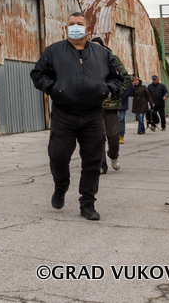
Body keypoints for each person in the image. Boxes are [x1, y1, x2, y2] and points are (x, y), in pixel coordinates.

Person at [30, 12, 124, 221]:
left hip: (93, 115)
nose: (75, 27)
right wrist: (55, 89)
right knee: (58, 156)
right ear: (66, 28)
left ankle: (87, 203)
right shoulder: (53, 51)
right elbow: (37, 74)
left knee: (93, 160)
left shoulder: (103, 54)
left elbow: (118, 78)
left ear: (88, 29)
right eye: (71, 24)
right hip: (64, 114)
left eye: (79, 24)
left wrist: (107, 90)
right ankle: (61, 185)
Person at [90, 37, 130, 174]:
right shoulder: (86, 61)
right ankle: (101, 165)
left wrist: (115, 92)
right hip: (94, 106)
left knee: (113, 135)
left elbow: (125, 79)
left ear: (103, 47)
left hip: (111, 105)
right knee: (98, 136)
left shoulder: (113, 60)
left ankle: (113, 155)